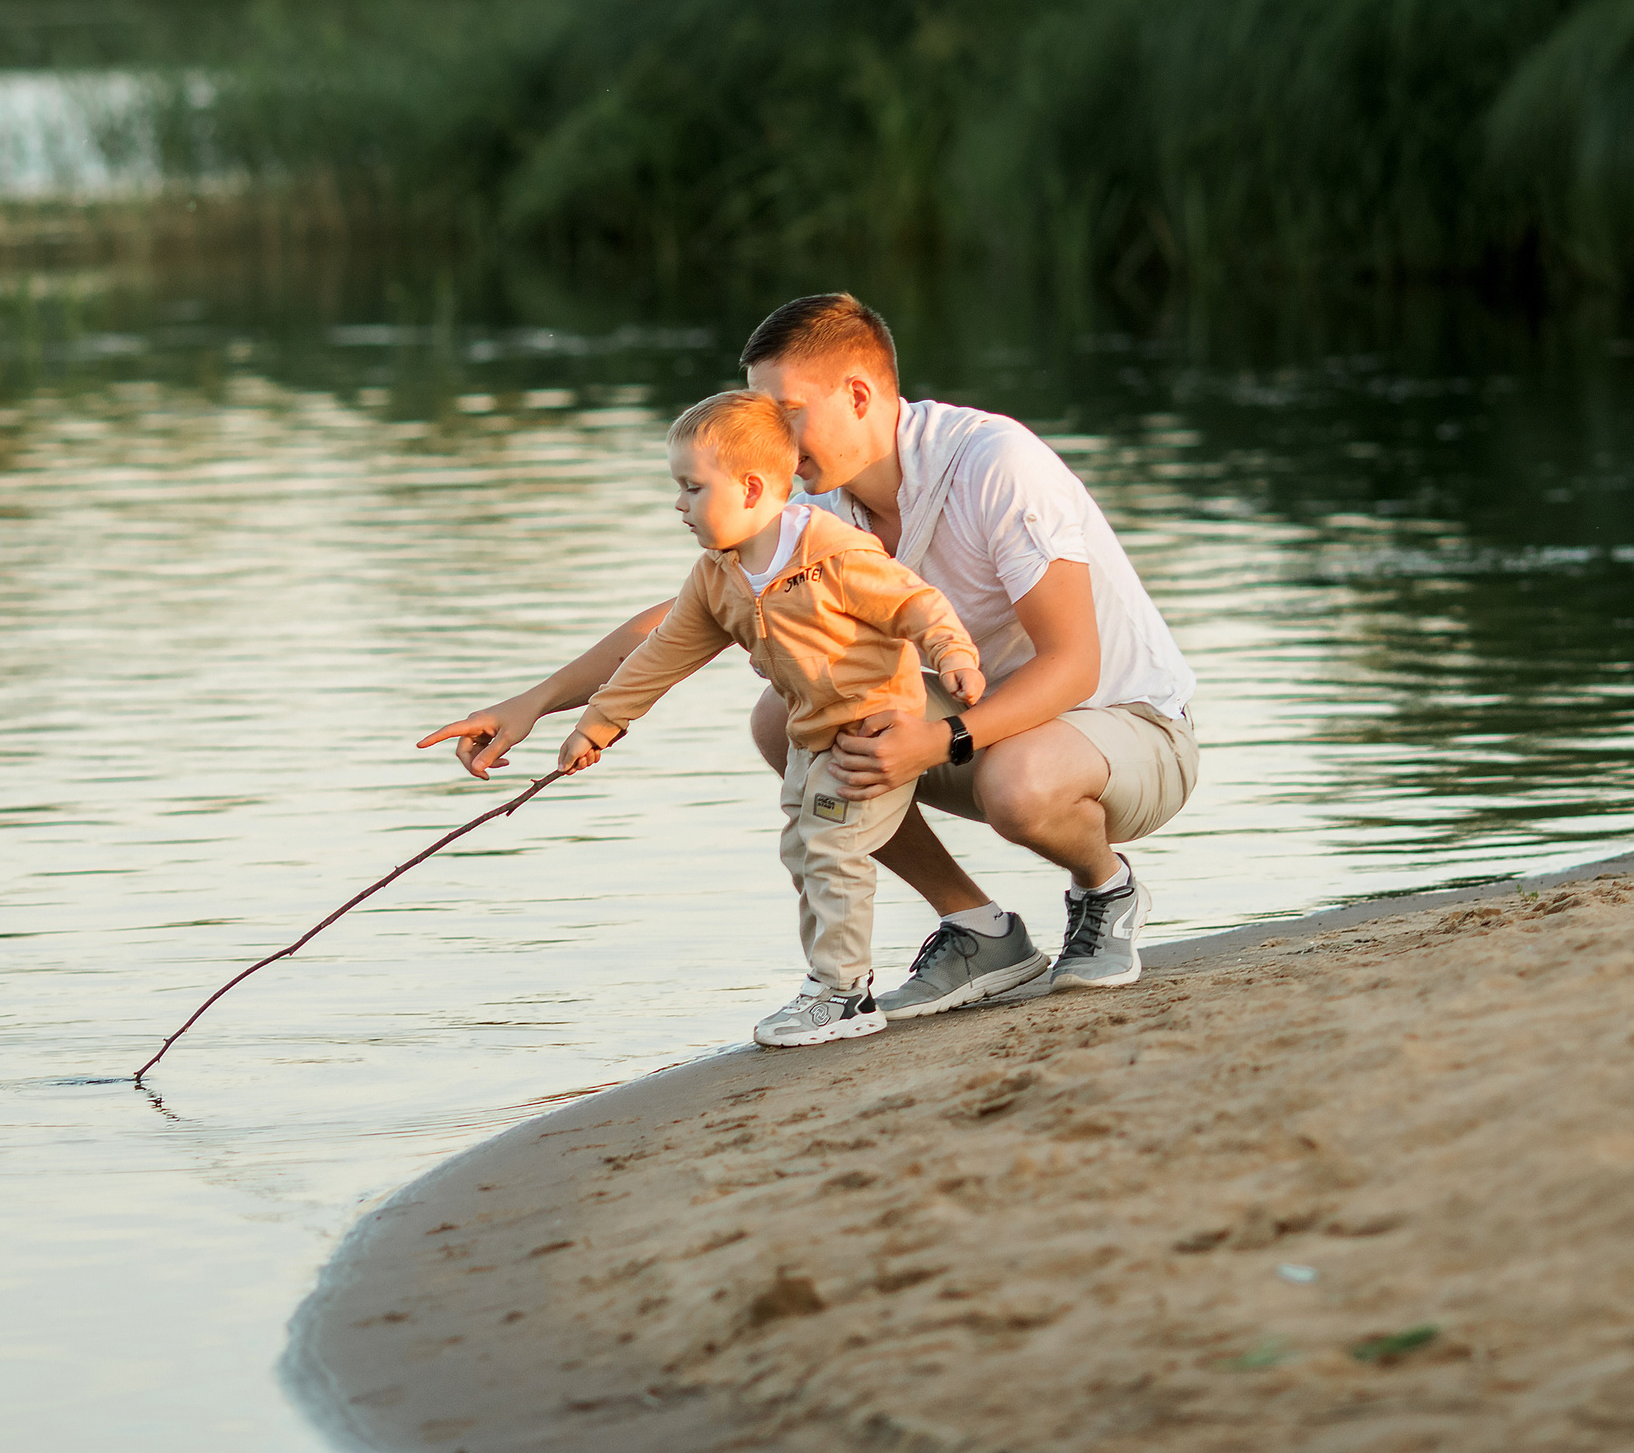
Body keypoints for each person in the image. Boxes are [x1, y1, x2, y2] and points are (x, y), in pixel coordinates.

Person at [422, 292, 1198, 1020]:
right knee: (787, 718)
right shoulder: (819, 501)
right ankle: (979, 928)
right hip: (994, 721)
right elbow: (684, 621)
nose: (773, 442)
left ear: (859, 395)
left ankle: (1105, 891)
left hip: (1126, 727)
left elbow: (1074, 667)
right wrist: (535, 703)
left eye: (786, 412)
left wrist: (935, 740)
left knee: (1018, 782)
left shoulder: (996, 465)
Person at [555, 389, 985, 1047]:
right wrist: (601, 722)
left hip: (875, 727)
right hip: (811, 736)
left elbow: (917, 605)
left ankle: (844, 994)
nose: (678, 504)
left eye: (692, 488)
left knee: (834, 850)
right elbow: (662, 653)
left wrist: (952, 655)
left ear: (752, 487)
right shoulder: (717, 574)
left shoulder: (833, 552)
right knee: (802, 851)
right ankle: (827, 982)